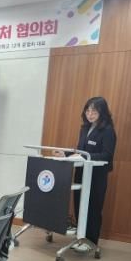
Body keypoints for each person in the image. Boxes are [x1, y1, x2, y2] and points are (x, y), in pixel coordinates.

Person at [54, 96, 117, 252]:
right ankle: (80, 238)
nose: (90, 114)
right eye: (88, 111)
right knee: (79, 206)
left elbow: (107, 155)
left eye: (94, 111)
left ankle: (91, 242)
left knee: (93, 209)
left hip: (96, 176)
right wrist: (66, 154)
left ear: (102, 112)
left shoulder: (108, 131)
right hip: (81, 173)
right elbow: (80, 151)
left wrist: (85, 156)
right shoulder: (84, 128)